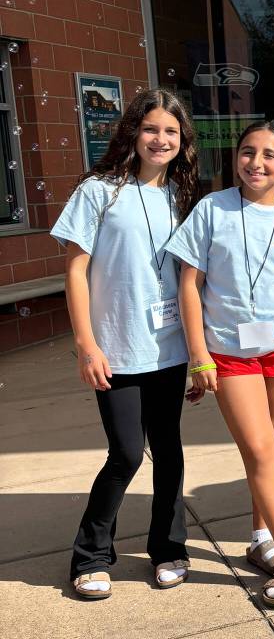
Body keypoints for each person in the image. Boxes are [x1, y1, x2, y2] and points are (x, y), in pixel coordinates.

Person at [167, 120, 274, 609]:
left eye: (269, 155)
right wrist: (198, 356)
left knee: (270, 447)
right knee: (260, 451)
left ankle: (260, 539)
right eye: (247, 152)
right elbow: (188, 286)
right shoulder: (211, 210)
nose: (255, 162)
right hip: (229, 354)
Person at [52, 88, 200, 600]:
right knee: (126, 452)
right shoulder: (98, 190)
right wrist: (86, 344)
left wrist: (200, 355)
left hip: (170, 346)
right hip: (115, 346)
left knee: (170, 449)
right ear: (133, 132)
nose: (160, 139)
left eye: (171, 132)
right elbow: (74, 270)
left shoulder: (180, 195)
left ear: (183, 142)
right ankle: (91, 554)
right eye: (151, 128)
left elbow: (190, 277)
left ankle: (169, 547)